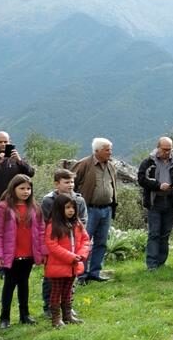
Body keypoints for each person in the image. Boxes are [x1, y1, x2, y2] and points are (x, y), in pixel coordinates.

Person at [0, 174, 46, 328]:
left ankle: (25, 315)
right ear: (13, 188)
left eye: (28, 188)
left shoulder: (35, 208)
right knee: (9, 285)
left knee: (24, 284)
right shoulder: (3, 208)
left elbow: (41, 231)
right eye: (22, 188)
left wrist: (42, 252)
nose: (26, 191)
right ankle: (4, 318)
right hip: (11, 254)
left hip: (28, 253)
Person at [39, 169, 88, 318]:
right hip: (58, 253)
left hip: (74, 251)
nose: (70, 185)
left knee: (69, 284)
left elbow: (84, 226)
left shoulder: (79, 200)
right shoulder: (49, 201)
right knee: (53, 284)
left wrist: (80, 254)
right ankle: (51, 309)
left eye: (72, 181)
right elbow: (47, 228)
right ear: (57, 183)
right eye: (66, 182)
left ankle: (67, 310)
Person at [72, 137, 117, 283]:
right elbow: (72, 183)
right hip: (89, 209)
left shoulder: (110, 166)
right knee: (84, 242)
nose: (110, 152)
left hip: (106, 210)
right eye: (107, 150)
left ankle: (95, 271)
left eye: (110, 149)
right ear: (97, 151)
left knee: (101, 242)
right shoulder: (84, 164)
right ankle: (81, 274)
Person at [43, 193, 90, 328]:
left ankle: (67, 315)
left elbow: (85, 240)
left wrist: (81, 254)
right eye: (67, 208)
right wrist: (70, 256)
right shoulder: (53, 225)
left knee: (68, 290)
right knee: (56, 291)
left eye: (73, 208)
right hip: (59, 265)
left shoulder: (77, 224)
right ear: (59, 209)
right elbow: (52, 245)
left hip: (73, 264)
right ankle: (56, 318)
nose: (71, 211)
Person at [137, 137, 173, 270]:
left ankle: (161, 262)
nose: (167, 152)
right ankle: (151, 264)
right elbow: (141, 179)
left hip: (170, 200)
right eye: (165, 150)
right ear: (158, 148)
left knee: (165, 233)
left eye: (170, 150)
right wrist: (158, 185)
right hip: (154, 201)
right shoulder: (148, 162)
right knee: (154, 233)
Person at [0, 131, 35, 203]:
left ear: (10, 142)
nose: (3, 144)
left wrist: (19, 161)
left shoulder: (18, 159)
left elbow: (31, 173)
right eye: (0, 142)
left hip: (15, 202)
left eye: (5, 142)